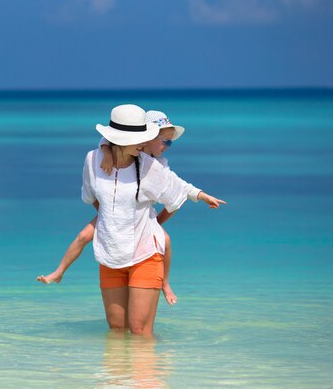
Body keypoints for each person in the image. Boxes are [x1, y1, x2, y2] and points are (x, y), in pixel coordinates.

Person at [38, 104, 225, 337]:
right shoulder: (92, 160)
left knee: (140, 331)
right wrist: (110, 217)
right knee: (116, 331)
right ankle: (118, 375)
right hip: (110, 255)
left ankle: (150, 373)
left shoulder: (151, 168)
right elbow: (91, 197)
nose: (145, 142)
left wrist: (155, 222)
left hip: (145, 254)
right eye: (140, 137)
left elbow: (176, 198)